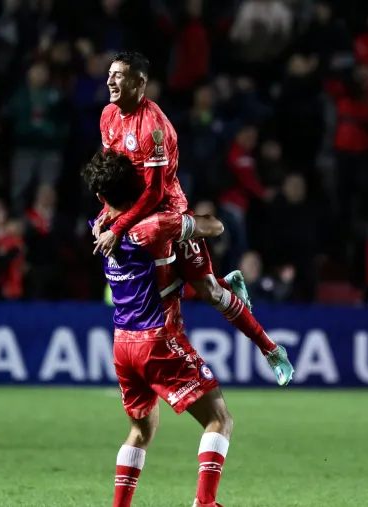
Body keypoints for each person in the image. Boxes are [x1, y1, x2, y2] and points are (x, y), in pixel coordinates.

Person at [93, 51, 293, 386]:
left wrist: (117, 227)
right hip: (135, 218)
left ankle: (272, 351)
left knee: (209, 292)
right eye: (109, 74)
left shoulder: (153, 128)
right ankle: (227, 285)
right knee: (164, 292)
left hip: (167, 214)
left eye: (119, 75)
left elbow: (155, 193)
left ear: (140, 84)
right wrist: (106, 211)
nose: (111, 80)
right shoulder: (108, 117)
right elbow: (113, 177)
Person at [82, 153, 230, 507]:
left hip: (122, 344)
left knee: (140, 430)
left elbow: (110, 207)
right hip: (157, 338)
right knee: (218, 419)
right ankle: (205, 504)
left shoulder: (99, 226)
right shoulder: (152, 226)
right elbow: (215, 226)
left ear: (102, 196)